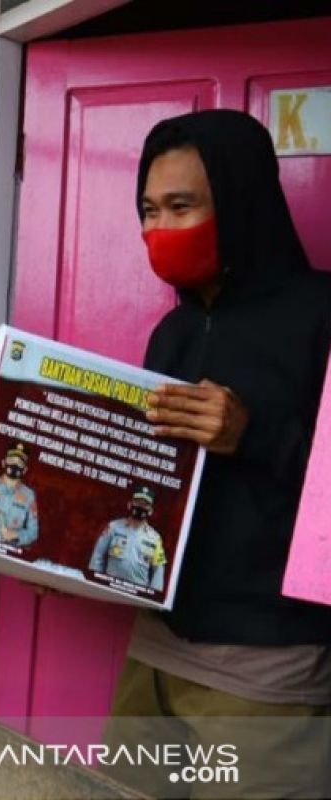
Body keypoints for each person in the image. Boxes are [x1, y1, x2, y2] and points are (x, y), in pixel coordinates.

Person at [104, 109, 331, 798]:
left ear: (238, 201)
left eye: (182, 206)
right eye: (149, 209)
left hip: (269, 668)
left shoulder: (321, 314)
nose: (162, 230)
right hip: (156, 648)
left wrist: (252, 433)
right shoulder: (169, 335)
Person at [88, 485, 165, 592]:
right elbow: (98, 555)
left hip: (138, 592)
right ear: (130, 504)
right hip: (109, 587)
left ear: (150, 510)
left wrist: (154, 595)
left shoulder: (155, 538)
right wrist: (94, 582)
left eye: (145, 504)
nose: (141, 506)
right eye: (137, 502)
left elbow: (158, 570)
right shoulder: (114, 527)